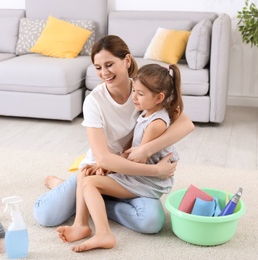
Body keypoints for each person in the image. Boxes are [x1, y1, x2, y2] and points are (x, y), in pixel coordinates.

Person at [33, 35, 194, 245]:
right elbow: (104, 159)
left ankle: (93, 197)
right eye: (98, 67)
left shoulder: (145, 91)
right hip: (101, 167)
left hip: (129, 175)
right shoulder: (94, 102)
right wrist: (155, 171)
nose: (104, 73)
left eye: (109, 65)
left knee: (152, 222)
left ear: (127, 61)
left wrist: (146, 150)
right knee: (45, 215)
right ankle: (67, 187)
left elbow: (186, 124)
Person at [56, 63, 184, 252]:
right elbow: (132, 151)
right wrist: (102, 166)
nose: (134, 97)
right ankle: (81, 225)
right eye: (135, 91)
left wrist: (107, 168)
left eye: (140, 94)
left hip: (146, 181)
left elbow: (137, 160)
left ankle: (103, 234)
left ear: (159, 97)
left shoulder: (155, 124)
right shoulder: (148, 113)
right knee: (85, 174)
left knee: (90, 183)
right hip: (140, 175)